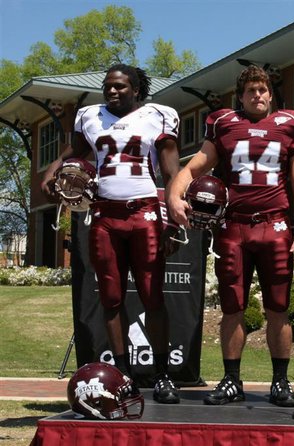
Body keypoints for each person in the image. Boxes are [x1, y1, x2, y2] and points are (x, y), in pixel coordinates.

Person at [167, 65, 294, 408]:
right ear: (241, 95)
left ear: (271, 93)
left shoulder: (292, 124)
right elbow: (192, 168)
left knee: (279, 307)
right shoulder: (224, 123)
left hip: (275, 224)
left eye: (263, 90)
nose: (258, 96)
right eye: (251, 91)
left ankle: (280, 381)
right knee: (233, 306)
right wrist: (174, 196)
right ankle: (231, 379)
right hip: (233, 226)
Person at [40, 64, 182, 404]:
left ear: (135, 89)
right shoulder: (89, 116)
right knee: (112, 298)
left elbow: (170, 170)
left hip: (144, 210)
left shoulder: (158, 115)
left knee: (153, 296)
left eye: (119, 86)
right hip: (104, 213)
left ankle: (162, 375)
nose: (112, 91)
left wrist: (173, 220)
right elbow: (75, 152)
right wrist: (53, 168)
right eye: (108, 86)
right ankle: (123, 375)